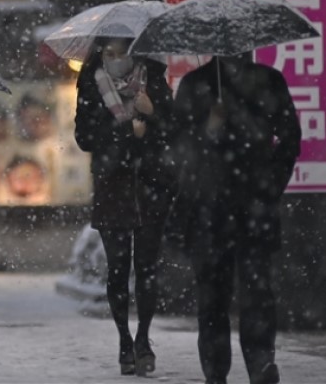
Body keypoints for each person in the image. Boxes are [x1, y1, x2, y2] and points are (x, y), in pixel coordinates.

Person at [171, 56, 300, 384]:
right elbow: (178, 150)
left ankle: (260, 364)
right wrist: (209, 130)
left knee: (256, 291)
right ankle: (216, 371)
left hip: (253, 207)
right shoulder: (196, 85)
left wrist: (270, 186)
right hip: (209, 211)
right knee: (214, 295)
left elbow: (289, 140)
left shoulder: (267, 82)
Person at [73, 37, 174, 376]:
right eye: (109, 54)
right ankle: (123, 339)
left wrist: (153, 115)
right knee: (118, 268)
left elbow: (173, 130)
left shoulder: (154, 78)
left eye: (122, 53)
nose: (116, 60)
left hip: (151, 183)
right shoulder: (91, 81)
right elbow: (84, 136)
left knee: (146, 266)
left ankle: (143, 339)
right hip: (112, 182)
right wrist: (123, 131)